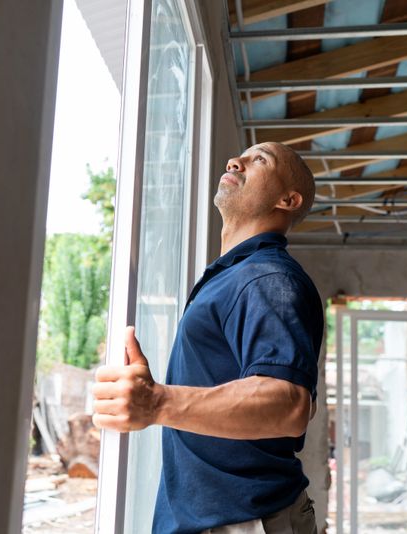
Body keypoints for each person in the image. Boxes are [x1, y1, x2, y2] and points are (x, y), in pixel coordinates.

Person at [92, 142, 324, 534]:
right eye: (241, 156)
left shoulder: (267, 277)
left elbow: (290, 405)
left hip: (246, 520)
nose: (236, 161)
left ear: (288, 199)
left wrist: (155, 401)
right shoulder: (236, 275)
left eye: (259, 160)